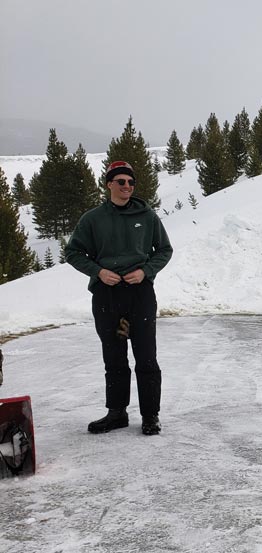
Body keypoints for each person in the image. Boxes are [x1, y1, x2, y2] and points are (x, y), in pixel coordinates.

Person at [66, 161, 172, 435]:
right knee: (114, 356)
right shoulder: (92, 219)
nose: (127, 186)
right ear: (109, 184)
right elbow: (74, 253)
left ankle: (150, 415)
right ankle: (116, 413)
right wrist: (98, 271)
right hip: (107, 295)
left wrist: (146, 271)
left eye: (131, 182)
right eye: (121, 181)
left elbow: (164, 249)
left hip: (139, 293)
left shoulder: (147, 216)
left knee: (146, 356)